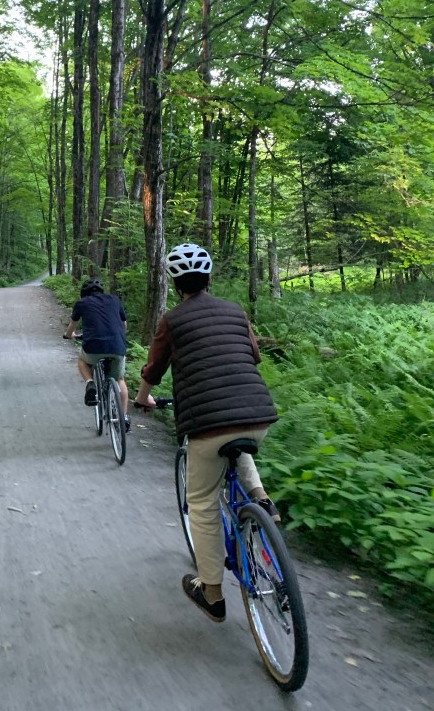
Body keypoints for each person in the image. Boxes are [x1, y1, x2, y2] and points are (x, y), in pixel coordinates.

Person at [133, 243, 279, 624]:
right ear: (209, 278)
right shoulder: (235, 311)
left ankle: (212, 593)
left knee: (200, 502)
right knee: (237, 444)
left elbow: (154, 369)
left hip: (207, 424)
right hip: (258, 414)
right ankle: (263, 501)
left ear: (176, 284)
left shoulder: (172, 321)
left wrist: (143, 399)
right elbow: (254, 356)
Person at [63, 278, 130, 430]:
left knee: (82, 360)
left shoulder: (82, 303)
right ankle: (124, 417)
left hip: (93, 346)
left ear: (84, 293)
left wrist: (69, 335)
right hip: (117, 346)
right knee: (119, 379)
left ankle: (90, 383)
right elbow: (124, 325)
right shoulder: (115, 300)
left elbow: (72, 325)